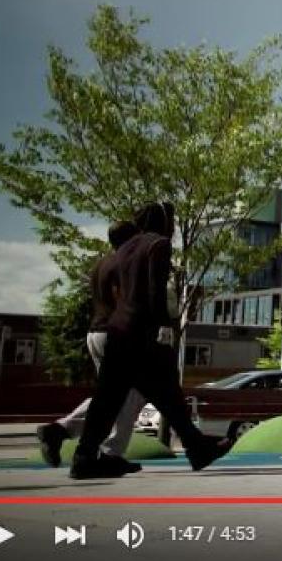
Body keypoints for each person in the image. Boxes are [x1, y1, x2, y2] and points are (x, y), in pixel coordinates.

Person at [70, 202, 233, 479]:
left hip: (117, 331)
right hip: (140, 331)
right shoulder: (158, 244)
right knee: (162, 391)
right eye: (170, 221)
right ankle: (197, 447)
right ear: (161, 223)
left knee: (115, 398)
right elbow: (154, 290)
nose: (172, 227)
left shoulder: (124, 248)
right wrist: (163, 327)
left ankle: (85, 456)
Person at [37, 220, 148, 472]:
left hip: (96, 332)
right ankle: (109, 452)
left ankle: (59, 431)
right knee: (131, 394)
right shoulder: (125, 264)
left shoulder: (102, 264)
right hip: (116, 333)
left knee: (112, 396)